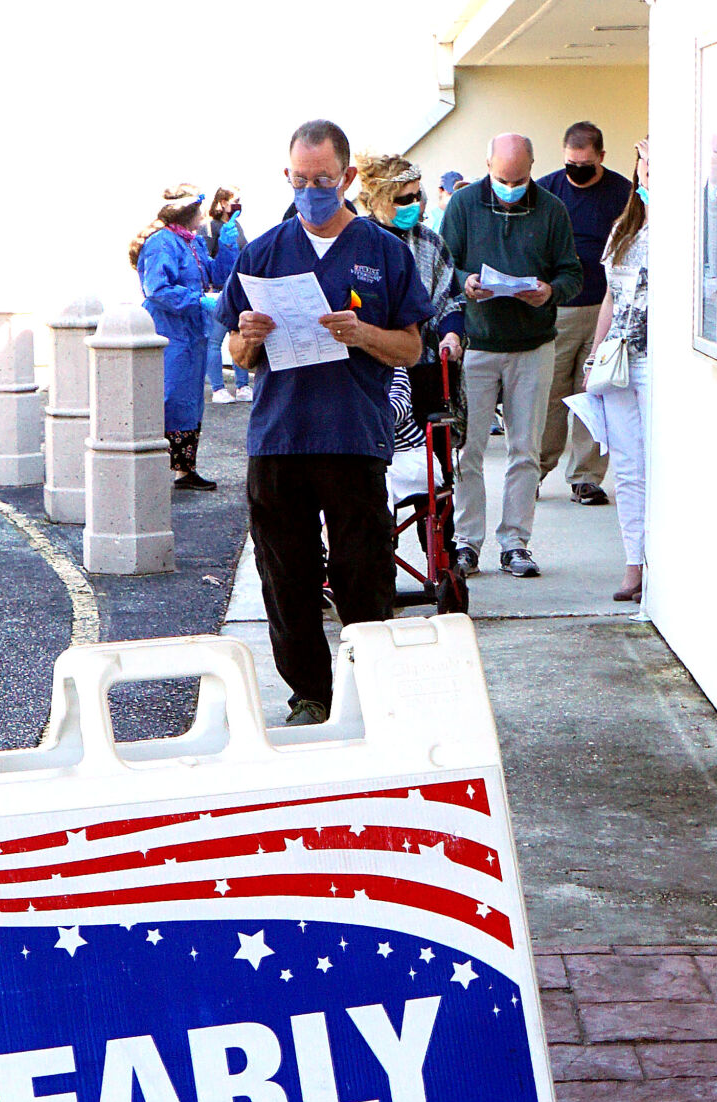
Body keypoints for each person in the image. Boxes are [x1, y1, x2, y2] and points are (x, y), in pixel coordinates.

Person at [216, 119, 431, 726]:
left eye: (323, 180)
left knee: (364, 574)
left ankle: (370, 689)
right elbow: (237, 351)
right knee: (287, 578)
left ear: (348, 179)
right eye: (300, 179)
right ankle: (310, 694)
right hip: (279, 440)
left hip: (352, 438)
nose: (311, 190)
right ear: (288, 177)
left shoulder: (384, 252)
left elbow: (411, 348)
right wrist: (248, 339)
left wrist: (362, 333)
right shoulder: (262, 252)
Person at [440, 132, 582, 578]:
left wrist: (550, 292)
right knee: (468, 451)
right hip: (478, 347)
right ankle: (466, 542)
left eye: (519, 179)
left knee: (526, 449)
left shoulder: (552, 209)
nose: (510, 186)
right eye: (503, 178)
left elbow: (572, 273)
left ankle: (515, 542)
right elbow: (443, 265)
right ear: (487, 166)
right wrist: (465, 282)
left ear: (532, 169)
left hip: (533, 345)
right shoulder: (462, 207)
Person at [355, 153, 464, 563]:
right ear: (378, 198)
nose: (414, 206)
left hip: (424, 370)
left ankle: (442, 554)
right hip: (374, 369)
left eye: (417, 196)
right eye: (403, 198)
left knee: (436, 468)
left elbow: (450, 298)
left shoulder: (430, 242)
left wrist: (452, 333)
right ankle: (377, 555)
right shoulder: (358, 242)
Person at [537, 122, 633, 504]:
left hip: (601, 306)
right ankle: (537, 469)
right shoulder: (547, 189)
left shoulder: (621, 193)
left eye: (586, 165)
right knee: (549, 397)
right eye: (571, 164)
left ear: (602, 158)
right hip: (557, 310)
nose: (577, 171)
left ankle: (585, 477)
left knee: (593, 395)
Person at [131, 185, 239, 490]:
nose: (205, 216)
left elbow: (217, 275)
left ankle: (185, 469)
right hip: (169, 332)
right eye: (200, 210)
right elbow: (157, 289)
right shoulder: (162, 243)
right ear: (189, 212)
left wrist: (228, 249)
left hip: (192, 333)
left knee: (191, 401)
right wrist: (198, 300)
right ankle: (154, 469)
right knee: (170, 398)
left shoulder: (194, 242)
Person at [587, 140, 650, 604]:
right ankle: (634, 563)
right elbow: (610, 295)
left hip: (655, 361)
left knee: (659, 464)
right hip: (619, 360)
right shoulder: (624, 227)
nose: (647, 170)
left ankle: (658, 558)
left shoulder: (688, 223)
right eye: (645, 161)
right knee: (627, 467)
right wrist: (595, 354)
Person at [203, 186, 251, 403]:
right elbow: (208, 260)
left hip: (237, 289)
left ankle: (242, 386)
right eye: (235, 201)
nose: (238, 205)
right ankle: (218, 388)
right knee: (214, 340)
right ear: (221, 202)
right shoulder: (211, 227)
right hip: (219, 291)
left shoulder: (237, 226)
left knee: (238, 335)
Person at [431, 169, 466, 234]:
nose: (455, 197)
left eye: (458, 193)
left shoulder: (464, 215)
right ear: (441, 191)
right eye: (451, 193)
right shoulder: (430, 219)